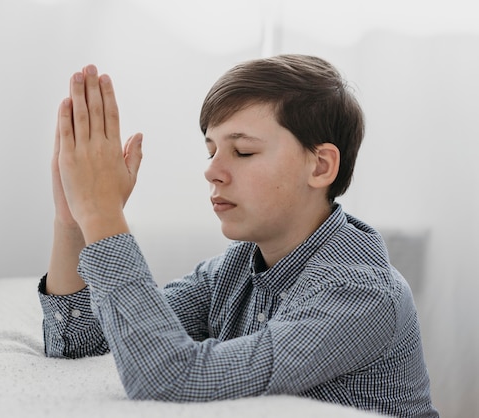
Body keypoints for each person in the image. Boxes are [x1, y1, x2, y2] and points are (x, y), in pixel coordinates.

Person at [38, 55, 438, 417]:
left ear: (320, 166)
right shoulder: (233, 269)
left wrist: (103, 215)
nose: (212, 171)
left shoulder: (359, 293)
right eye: (211, 150)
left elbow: (171, 380)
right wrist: (72, 222)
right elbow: (78, 338)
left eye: (242, 152)